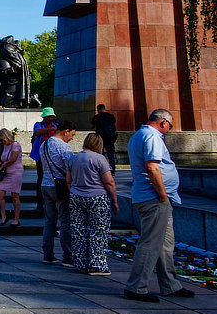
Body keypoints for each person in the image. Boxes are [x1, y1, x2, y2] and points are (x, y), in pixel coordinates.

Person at [124, 109, 194, 302]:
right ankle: (136, 287)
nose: (170, 130)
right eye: (170, 126)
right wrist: (162, 194)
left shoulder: (139, 135)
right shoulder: (152, 137)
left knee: (164, 244)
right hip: (154, 198)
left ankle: (170, 285)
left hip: (153, 197)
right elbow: (152, 166)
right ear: (163, 122)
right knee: (150, 243)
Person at [68, 133, 118, 275]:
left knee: (79, 231)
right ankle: (97, 265)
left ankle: (81, 262)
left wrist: (73, 192)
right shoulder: (100, 159)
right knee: (98, 231)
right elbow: (109, 182)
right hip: (97, 197)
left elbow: (68, 180)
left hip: (76, 196)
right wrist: (114, 199)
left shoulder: (73, 158)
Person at [40, 120, 76, 266]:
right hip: (60, 186)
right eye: (72, 134)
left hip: (45, 184)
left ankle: (48, 254)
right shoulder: (64, 147)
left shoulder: (45, 144)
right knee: (65, 222)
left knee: (49, 221)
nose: (72, 138)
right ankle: (68, 256)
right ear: (66, 131)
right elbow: (70, 168)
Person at [0, 128, 23, 227]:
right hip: (6, 172)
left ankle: (16, 219)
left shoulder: (15, 145)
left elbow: (13, 158)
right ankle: (3, 216)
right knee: (0, 193)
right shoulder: (5, 146)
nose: (1, 142)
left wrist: (2, 166)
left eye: (1, 140)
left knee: (15, 196)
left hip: (15, 172)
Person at [32, 107, 57, 211]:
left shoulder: (56, 126)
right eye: (48, 117)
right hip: (41, 156)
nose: (50, 119)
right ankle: (40, 202)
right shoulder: (38, 125)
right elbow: (37, 132)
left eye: (51, 117)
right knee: (40, 178)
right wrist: (51, 129)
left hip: (52, 157)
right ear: (44, 117)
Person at [91, 103, 118, 173]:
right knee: (111, 155)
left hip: (100, 138)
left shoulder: (97, 117)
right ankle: (112, 171)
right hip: (110, 138)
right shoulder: (111, 116)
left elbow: (91, 126)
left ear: (98, 109)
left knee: (101, 154)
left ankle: (102, 170)